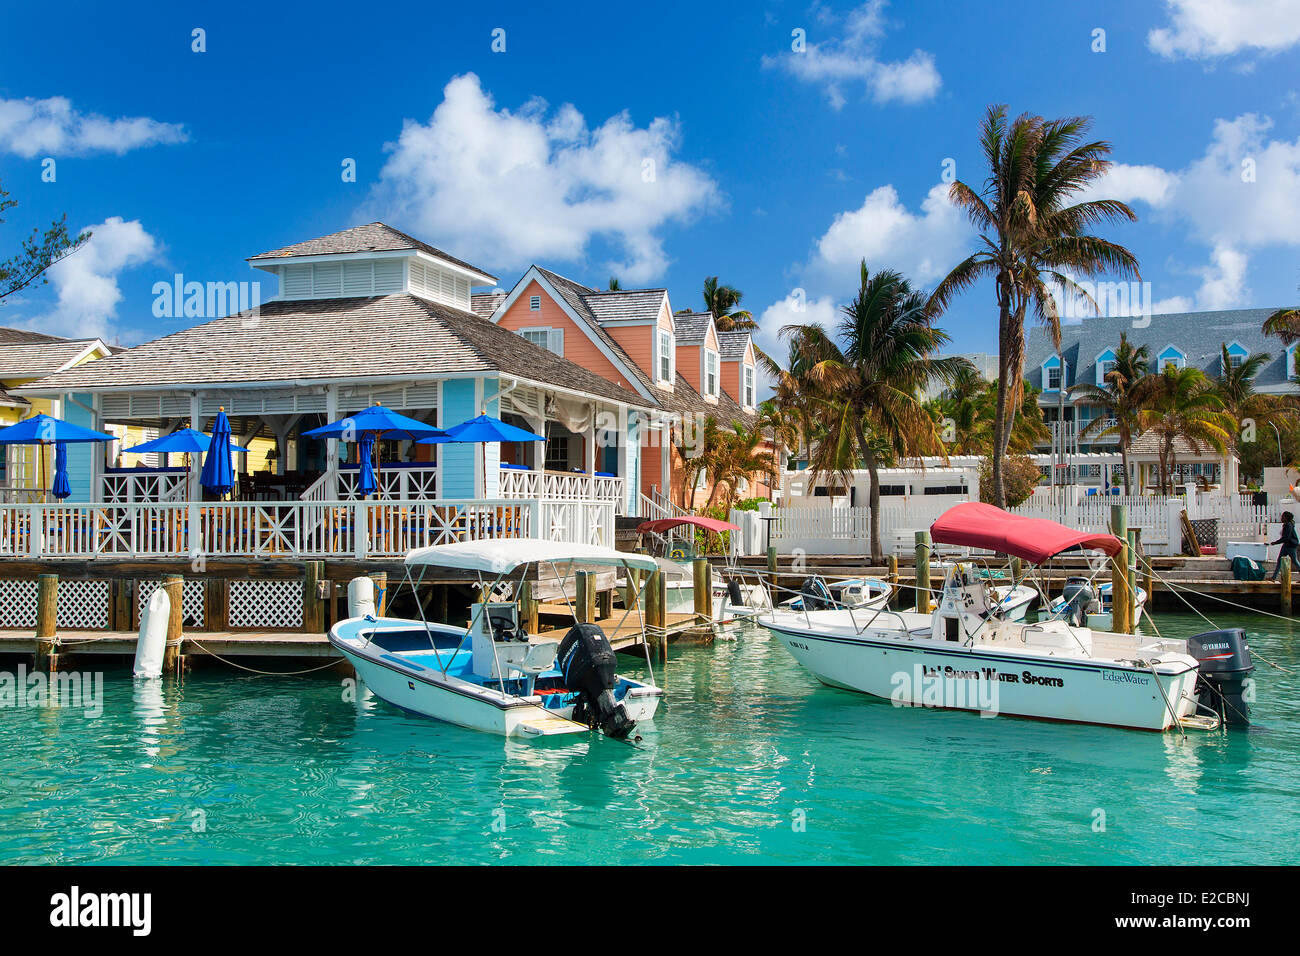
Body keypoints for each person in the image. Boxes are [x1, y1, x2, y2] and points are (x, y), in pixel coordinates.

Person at [1270, 511, 1299, 581]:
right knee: (1279, 560)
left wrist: (1275, 542)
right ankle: (1273, 577)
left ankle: (1273, 577)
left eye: (1282, 517)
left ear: (1286, 518)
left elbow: (1286, 538)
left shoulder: (1288, 525)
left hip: (1290, 545)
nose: (1281, 518)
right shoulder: (1287, 525)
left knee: (1295, 561)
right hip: (1287, 545)